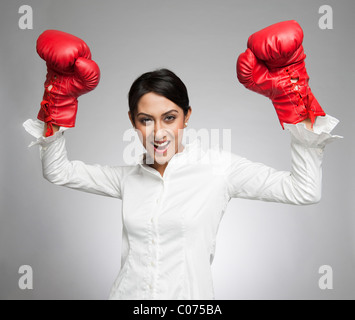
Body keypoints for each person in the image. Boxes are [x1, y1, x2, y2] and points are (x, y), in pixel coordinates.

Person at [23, 21, 342, 300]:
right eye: (146, 119)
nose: (158, 132)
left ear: (187, 117)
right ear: (133, 121)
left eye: (169, 117)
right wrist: (56, 104)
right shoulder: (127, 179)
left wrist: (295, 106)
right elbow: (58, 172)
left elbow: (305, 190)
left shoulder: (219, 169)